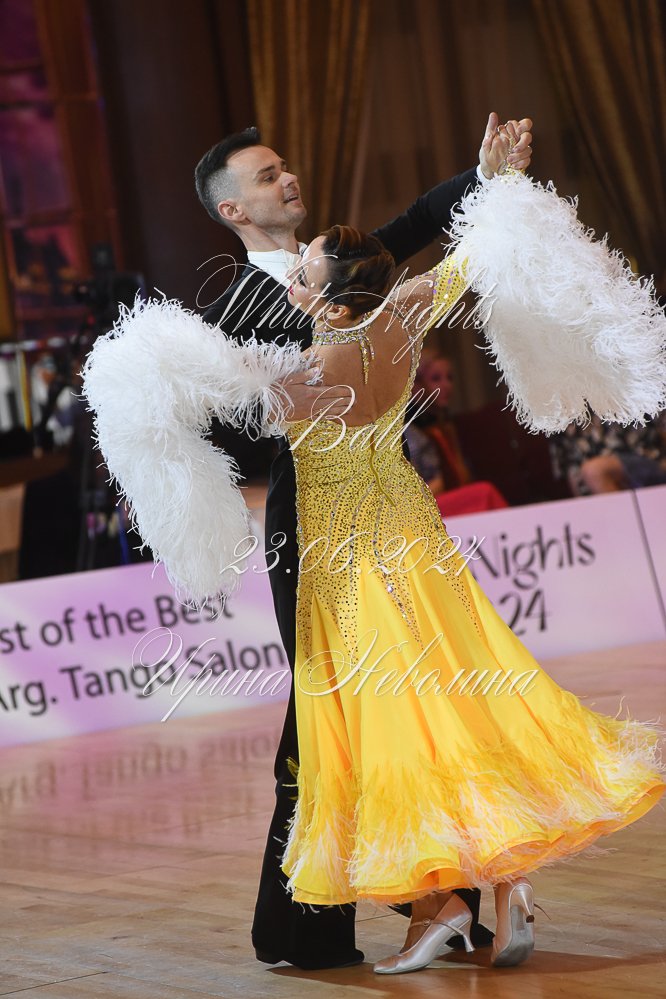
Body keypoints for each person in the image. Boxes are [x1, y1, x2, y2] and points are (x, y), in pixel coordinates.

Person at [274, 222, 665, 974]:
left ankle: (444, 904)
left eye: (304, 274)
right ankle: (505, 880)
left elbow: (244, 414)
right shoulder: (401, 316)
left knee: (397, 720)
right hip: (414, 537)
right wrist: (493, 187)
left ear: (338, 300)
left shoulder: (317, 366)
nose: (292, 279)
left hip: (352, 556)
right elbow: (461, 265)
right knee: (460, 697)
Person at [194, 115, 534, 969]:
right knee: (351, 708)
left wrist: (483, 175)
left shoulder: (339, 266)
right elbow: (227, 425)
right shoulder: (231, 304)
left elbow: (418, 221)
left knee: (344, 713)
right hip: (313, 515)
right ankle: (447, 895)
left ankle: (393, 907)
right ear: (233, 210)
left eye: (285, 166)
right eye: (267, 175)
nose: (288, 178)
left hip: (364, 508)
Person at [406, 349, 509, 515]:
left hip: (445, 500)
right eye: (436, 379)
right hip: (420, 510)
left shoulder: (443, 425)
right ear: (416, 385)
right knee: (484, 492)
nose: (446, 385)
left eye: (450, 378)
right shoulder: (408, 431)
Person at [549, 413, 666, 496]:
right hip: (595, 483)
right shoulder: (557, 408)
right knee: (589, 474)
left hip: (651, 461)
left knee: (594, 471)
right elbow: (571, 468)